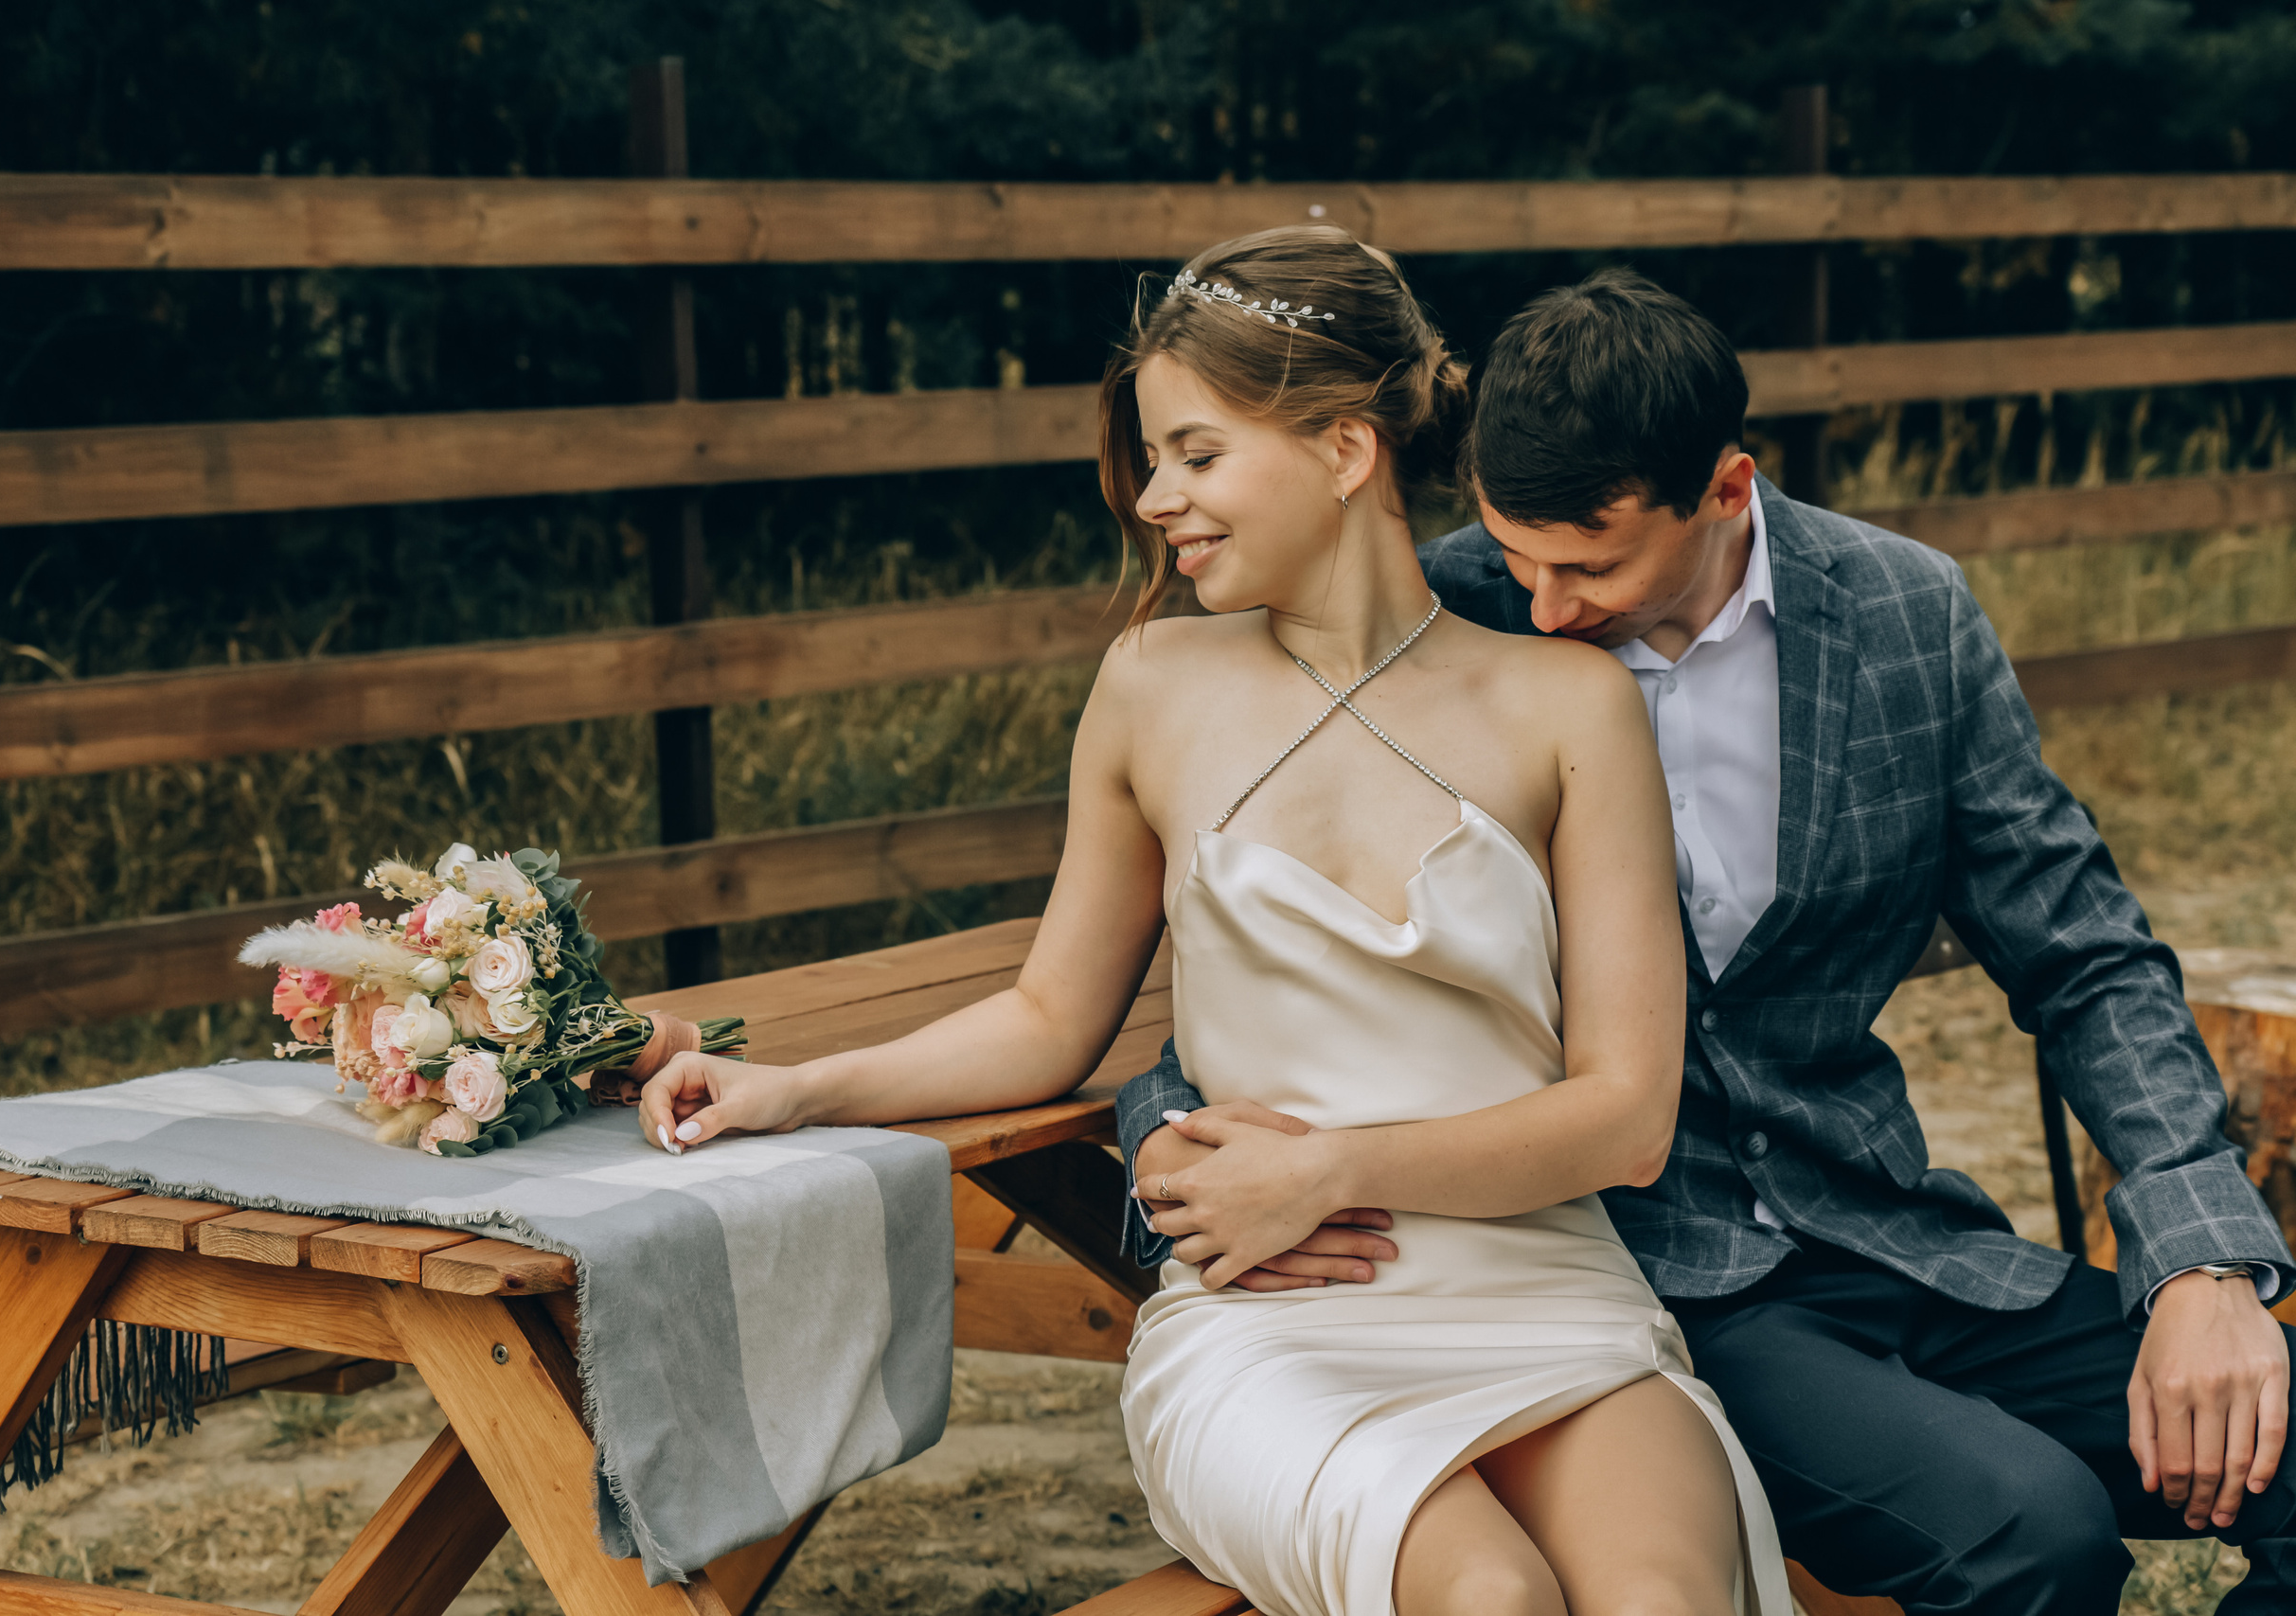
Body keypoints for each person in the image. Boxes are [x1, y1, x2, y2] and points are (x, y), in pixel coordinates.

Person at [634, 229, 1790, 1616]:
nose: (1159, 501)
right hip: (1275, 1322)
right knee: (1491, 1601)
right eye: (1155, 464)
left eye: (1196, 453)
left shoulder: (1568, 707)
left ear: (1347, 451)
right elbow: (1050, 1018)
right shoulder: (1149, 687)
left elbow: (1626, 1117)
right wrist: (797, 1086)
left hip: (1549, 1287)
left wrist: (1330, 1170)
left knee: (1664, 1604)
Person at [1122, 265, 2296, 1614]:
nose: (1549, 607)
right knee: (2038, 1531)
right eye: (1519, 554)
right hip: (1643, 1277)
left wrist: (2198, 1259)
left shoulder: (1907, 616)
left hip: (1899, 1233)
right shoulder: (1439, 623)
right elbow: (1269, 956)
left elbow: (2082, 951)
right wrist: (1162, 1130)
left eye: (1592, 565)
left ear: (1728, 490)